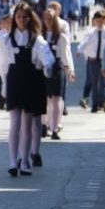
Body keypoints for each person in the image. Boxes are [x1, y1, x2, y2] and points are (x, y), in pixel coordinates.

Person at [0, 2, 54, 176]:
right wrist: (4, 85)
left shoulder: (37, 38)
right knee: (15, 121)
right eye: (19, 16)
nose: (22, 20)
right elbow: (3, 63)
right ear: (14, 18)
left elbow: (47, 57)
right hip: (14, 80)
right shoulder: (7, 38)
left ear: (30, 19)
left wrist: (47, 67)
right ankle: (13, 161)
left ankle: (25, 160)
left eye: (25, 17)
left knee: (28, 122)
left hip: (32, 81)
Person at [42, 9, 74, 141]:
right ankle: (44, 124)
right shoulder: (39, 36)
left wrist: (70, 70)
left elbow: (66, 55)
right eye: (46, 18)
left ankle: (54, 128)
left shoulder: (61, 37)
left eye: (51, 18)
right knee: (44, 101)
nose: (48, 21)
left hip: (57, 70)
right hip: (43, 70)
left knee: (56, 100)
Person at [78, 10, 105, 113]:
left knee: (103, 82)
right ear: (94, 21)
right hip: (93, 61)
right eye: (97, 21)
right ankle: (95, 104)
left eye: (101, 21)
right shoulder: (90, 33)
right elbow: (84, 43)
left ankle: (103, 101)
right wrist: (79, 50)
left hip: (104, 60)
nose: (99, 23)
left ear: (103, 20)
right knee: (94, 82)